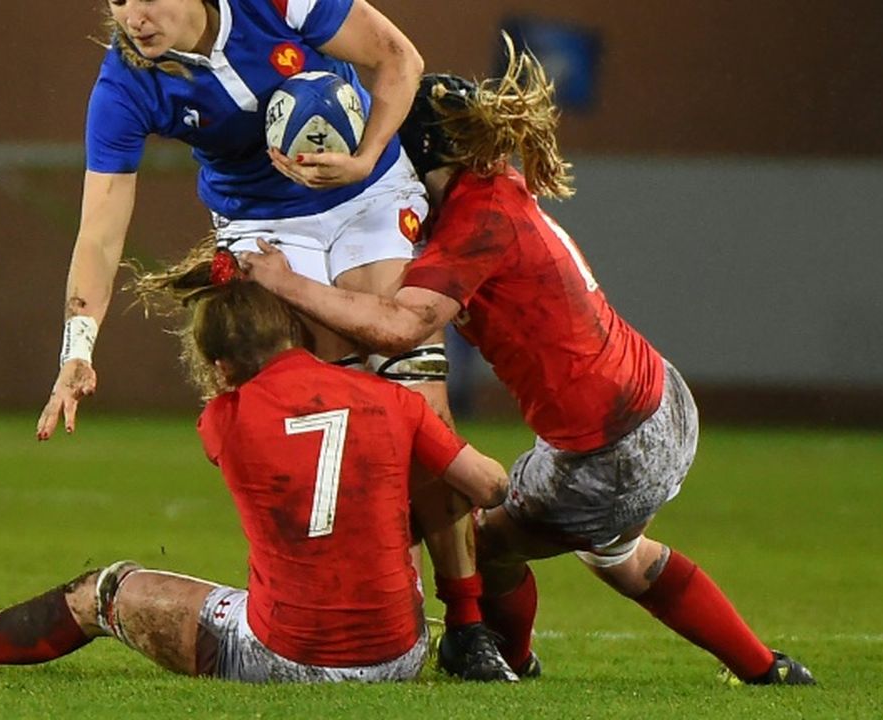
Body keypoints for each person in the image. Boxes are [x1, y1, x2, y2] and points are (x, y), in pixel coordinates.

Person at [240, 38, 816, 686]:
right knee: (619, 556)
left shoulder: (472, 226)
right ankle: (768, 671)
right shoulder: (495, 188)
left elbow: (398, 328)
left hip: (608, 445)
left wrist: (282, 280)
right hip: (656, 400)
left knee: (485, 543)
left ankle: (505, 663)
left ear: (421, 149)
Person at [34, 0, 514, 681]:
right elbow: (100, 229)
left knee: (416, 396)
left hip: (366, 196)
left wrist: (367, 155)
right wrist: (77, 349)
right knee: (325, 419)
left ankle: (466, 622)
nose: (133, 14)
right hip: (261, 230)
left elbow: (397, 59)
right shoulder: (125, 84)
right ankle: (351, 609)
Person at [0, 258, 509, 682]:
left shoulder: (224, 421)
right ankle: (474, 632)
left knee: (104, 591)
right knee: (432, 472)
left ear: (222, 366)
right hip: (401, 655)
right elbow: (490, 486)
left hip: (284, 658)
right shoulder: (393, 400)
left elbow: (269, 422)